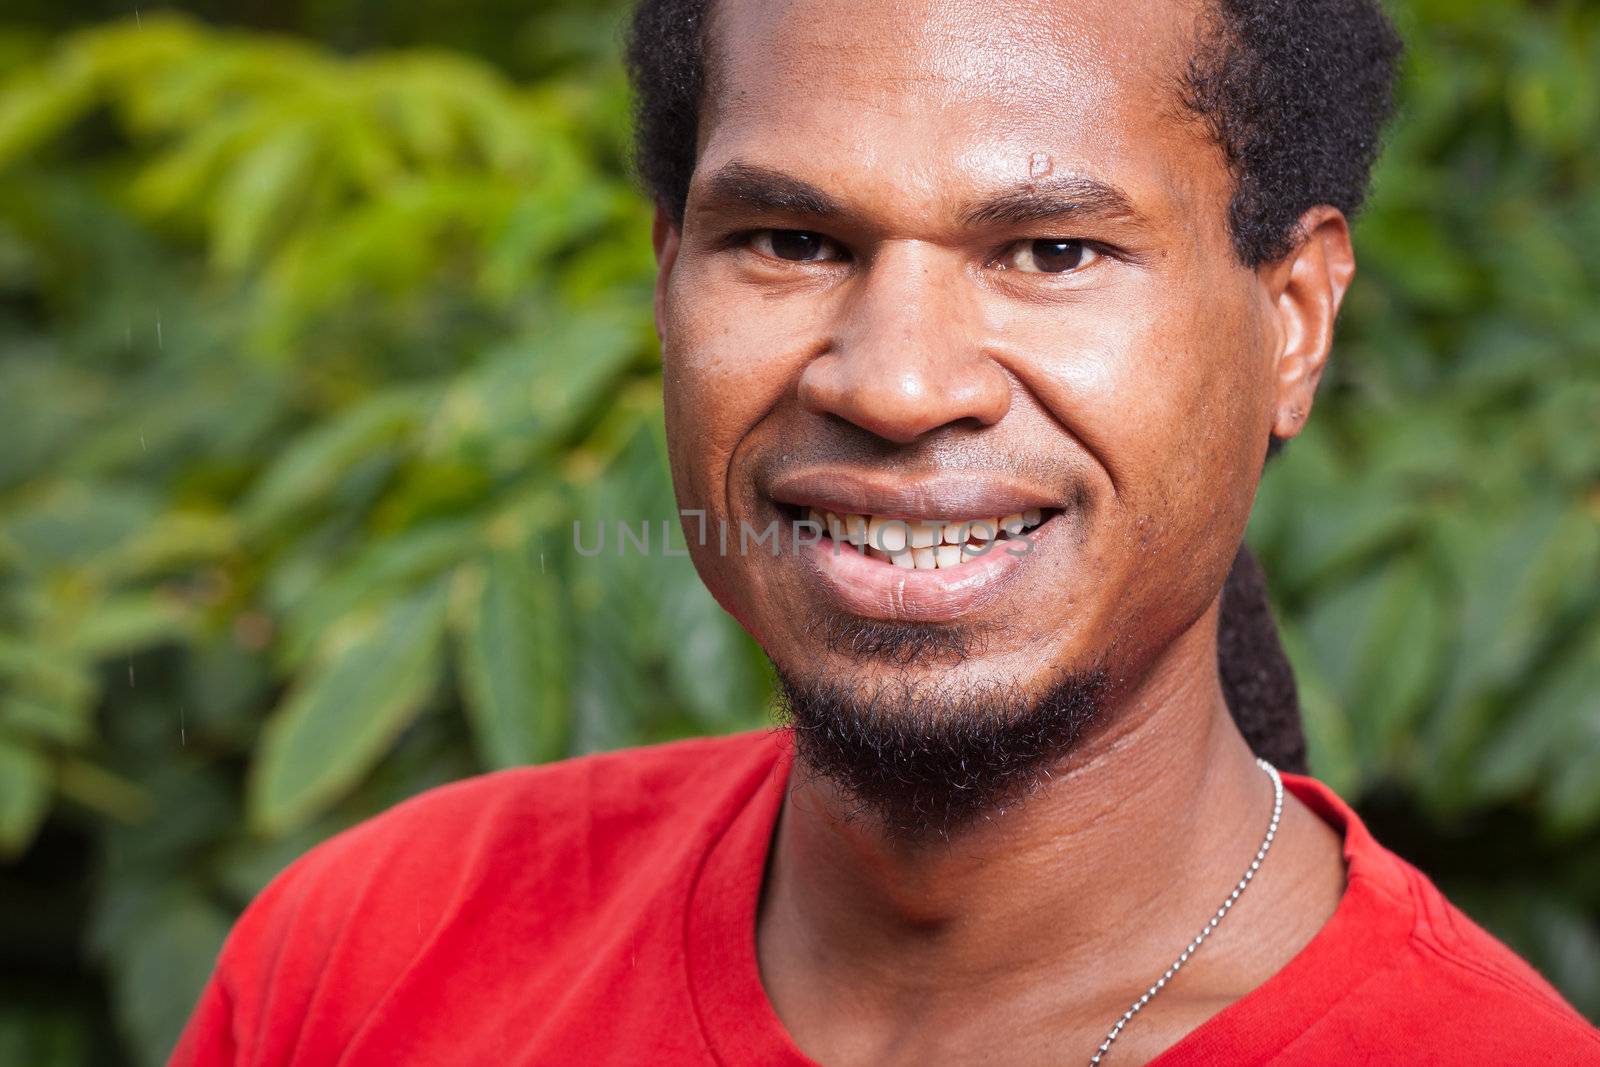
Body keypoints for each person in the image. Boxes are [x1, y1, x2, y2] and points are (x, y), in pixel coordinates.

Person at [171, 0, 1600, 1063]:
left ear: (1292, 322)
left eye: (1053, 253)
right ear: (669, 279)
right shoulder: (381, 953)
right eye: (792, 243)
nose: (899, 383)